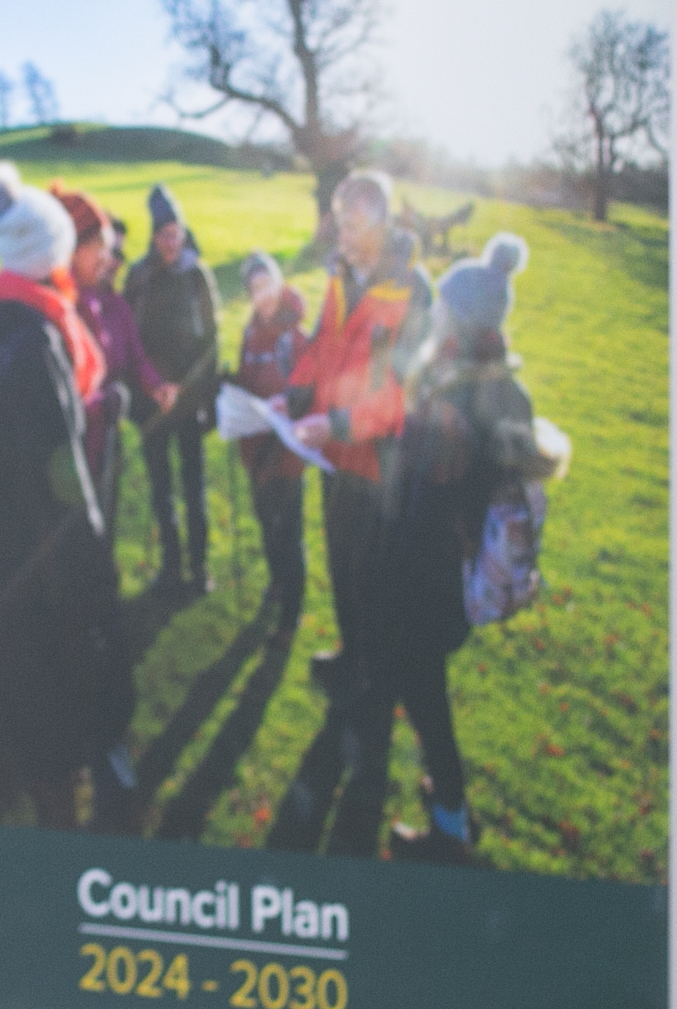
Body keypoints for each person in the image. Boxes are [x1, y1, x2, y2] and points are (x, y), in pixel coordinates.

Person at [271, 233, 551, 864]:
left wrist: (375, 430)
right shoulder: (502, 385)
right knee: (416, 689)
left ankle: (449, 823)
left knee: (426, 701)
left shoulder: (456, 398)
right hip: (449, 578)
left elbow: (422, 476)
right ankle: (438, 799)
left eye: (445, 308)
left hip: (425, 583)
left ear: (459, 319)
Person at [0, 163, 138, 832]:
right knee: (56, 668)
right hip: (47, 547)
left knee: (34, 673)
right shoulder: (33, 342)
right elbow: (57, 473)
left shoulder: (1, 324)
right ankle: (62, 800)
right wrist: (93, 565)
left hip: (12, 533)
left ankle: (57, 779)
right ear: (49, 251)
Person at [278, 170, 436, 698]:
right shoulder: (340, 274)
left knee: (373, 576)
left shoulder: (413, 289)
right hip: (331, 452)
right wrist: (295, 396)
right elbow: (323, 344)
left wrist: (341, 425)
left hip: (377, 458)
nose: (341, 230)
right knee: (341, 564)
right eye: (340, 218)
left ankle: (372, 681)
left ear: (382, 221)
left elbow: (399, 388)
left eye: (353, 221)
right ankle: (352, 658)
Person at [122, 183, 220, 593]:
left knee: (193, 485)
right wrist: (140, 395)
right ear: (153, 235)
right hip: (151, 400)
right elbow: (129, 340)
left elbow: (212, 338)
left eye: (176, 233)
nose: (171, 241)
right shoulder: (139, 276)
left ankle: (199, 567)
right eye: (164, 234)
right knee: (161, 487)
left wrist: (208, 396)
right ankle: (171, 565)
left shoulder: (197, 274)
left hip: (190, 398)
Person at [53, 182, 174, 506]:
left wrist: (156, 386)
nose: (111, 260)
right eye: (104, 249)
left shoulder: (117, 305)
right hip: (74, 444)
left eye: (117, 253)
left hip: (105, 433)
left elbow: (136, 357)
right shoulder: (67, 306)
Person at [232, 251, 310, 623]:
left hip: (287, 452)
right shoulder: (249, 332)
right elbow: (247, 380)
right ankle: (278, 581)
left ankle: (290, 614)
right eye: (254, 289)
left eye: (267, 285)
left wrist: (289, 403)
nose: (262, 295)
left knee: (289, 530)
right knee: (266, 522)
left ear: (279, 283)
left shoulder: (295, 335)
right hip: (256, 447)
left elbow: (310, 391)